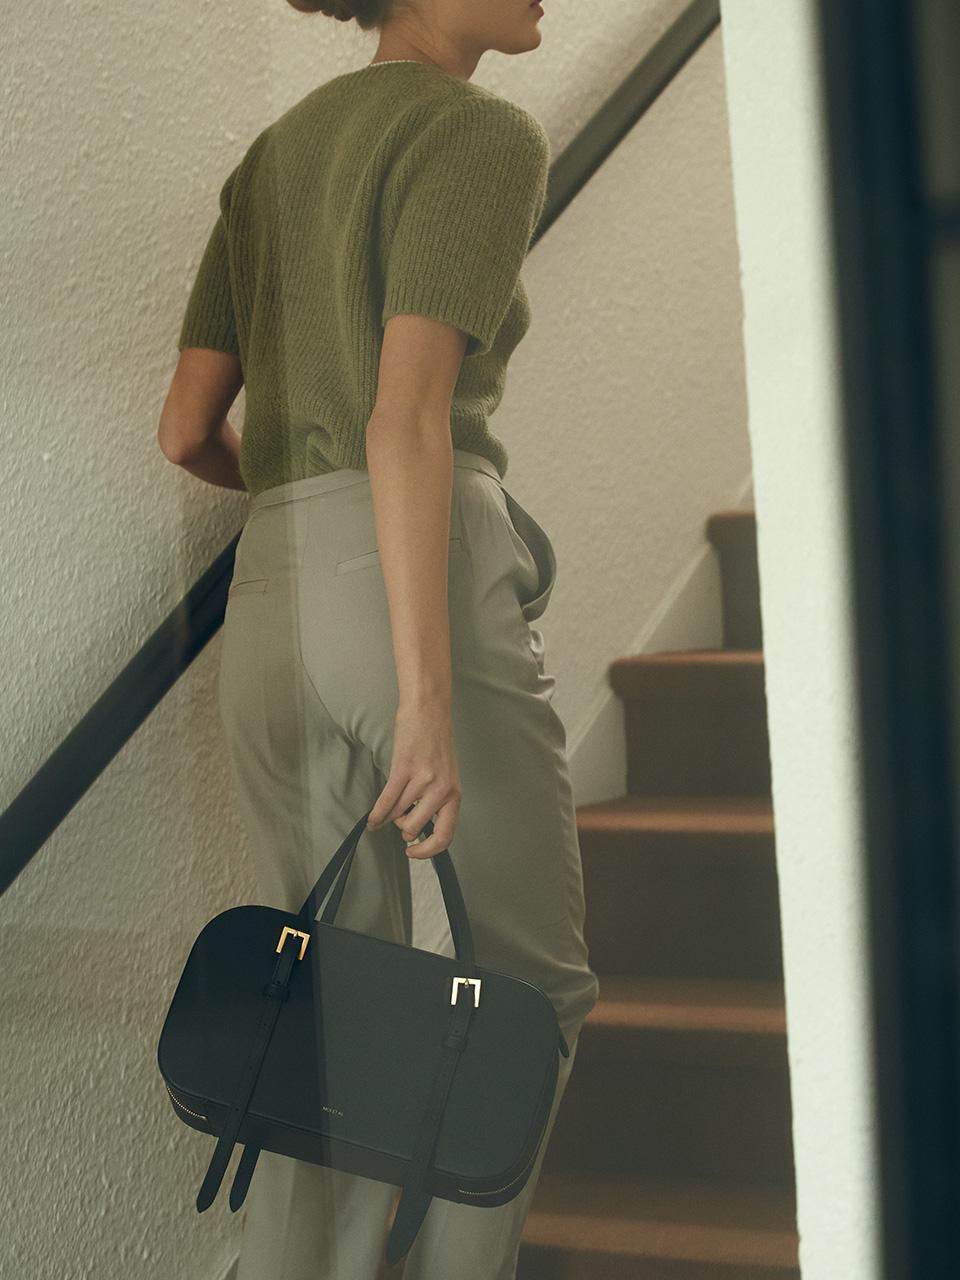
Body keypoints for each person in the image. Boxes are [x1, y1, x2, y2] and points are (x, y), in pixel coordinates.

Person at [158, 0, 600, 1276]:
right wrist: (424, 694)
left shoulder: (274, 159)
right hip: (411, 584)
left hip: (268, 602)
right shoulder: (478, 136)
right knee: (529, 990)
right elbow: (405, 416)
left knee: (328, 1010)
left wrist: (310, 518)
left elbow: (186, 428)